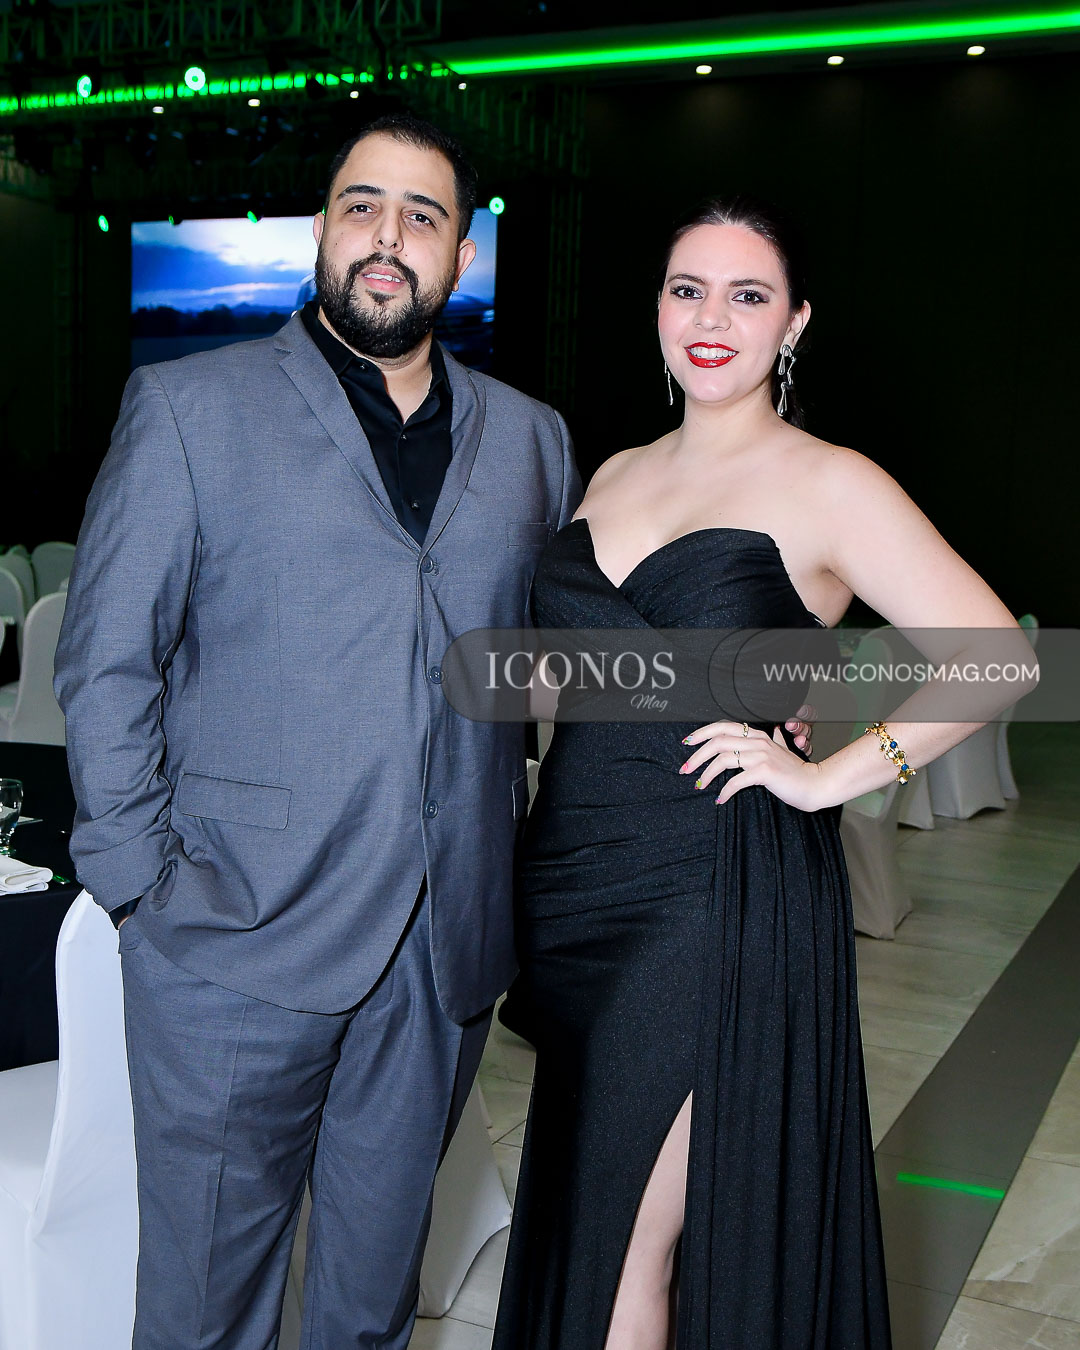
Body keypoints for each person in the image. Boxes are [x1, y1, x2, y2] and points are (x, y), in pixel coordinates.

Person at [53, 113, 586, 1350]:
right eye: (362, 206)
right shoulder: (189, 408)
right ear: (321, 230)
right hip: (228, 944)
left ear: (461, 254)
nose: (388, 238)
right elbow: (107, 659)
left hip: (439, 957)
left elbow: (547, 661)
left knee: (369, 1311)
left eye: (422, 215)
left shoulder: (533, 440)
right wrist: (141, 887)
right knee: (203, 1316)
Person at [492, 197, 1033, 1349]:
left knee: (626, 1243)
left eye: (748, 296)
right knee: (588, 1225)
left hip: (713, 893)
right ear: (656, 308)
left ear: (793, 324)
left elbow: (999, 655)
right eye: (688, 290)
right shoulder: (613, 473)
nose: (712, 319)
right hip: (578, 885)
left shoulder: (830, 483)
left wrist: (834, 776)